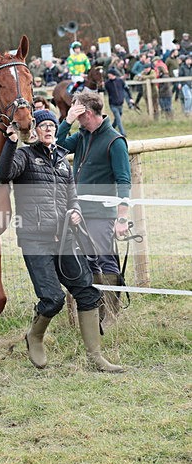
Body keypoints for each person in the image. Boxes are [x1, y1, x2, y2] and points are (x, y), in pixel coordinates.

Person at [0, 109, 123, 373]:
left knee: (87, 292)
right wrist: (10, 143)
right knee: (53, 298)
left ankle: (96, 357)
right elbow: (3, 173)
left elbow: (71, 196)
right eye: (43, 125)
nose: (49, 129)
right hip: (35, 240)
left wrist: (75, 210)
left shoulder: (63, 161)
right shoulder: (24, 156)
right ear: (34, 131)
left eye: (52, 125)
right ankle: (35, 336)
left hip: (64, 239)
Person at [56, 91, 132, 328]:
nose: (74, 117)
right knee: (87, 264)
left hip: (102, 215)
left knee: (106, 263)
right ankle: (96, 312)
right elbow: (58, 146)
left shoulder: (114, 140)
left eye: (76, 112)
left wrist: (122, 218)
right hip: (79, 213)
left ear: (87, 113)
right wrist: (66, 122)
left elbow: (124, 181)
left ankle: (110, 314)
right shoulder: (81, 136)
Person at [104, 67, 135, 137]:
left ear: (113, 74)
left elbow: (127, 89)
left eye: (110, 74)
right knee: (118, 118)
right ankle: (122, 133)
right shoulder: (107, 83)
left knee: (116, 120)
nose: (109, 76)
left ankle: (110, 129)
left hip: (120, 104)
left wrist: (130, 98)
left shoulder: (120, 81)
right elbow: (103, 89)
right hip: (113, 104)